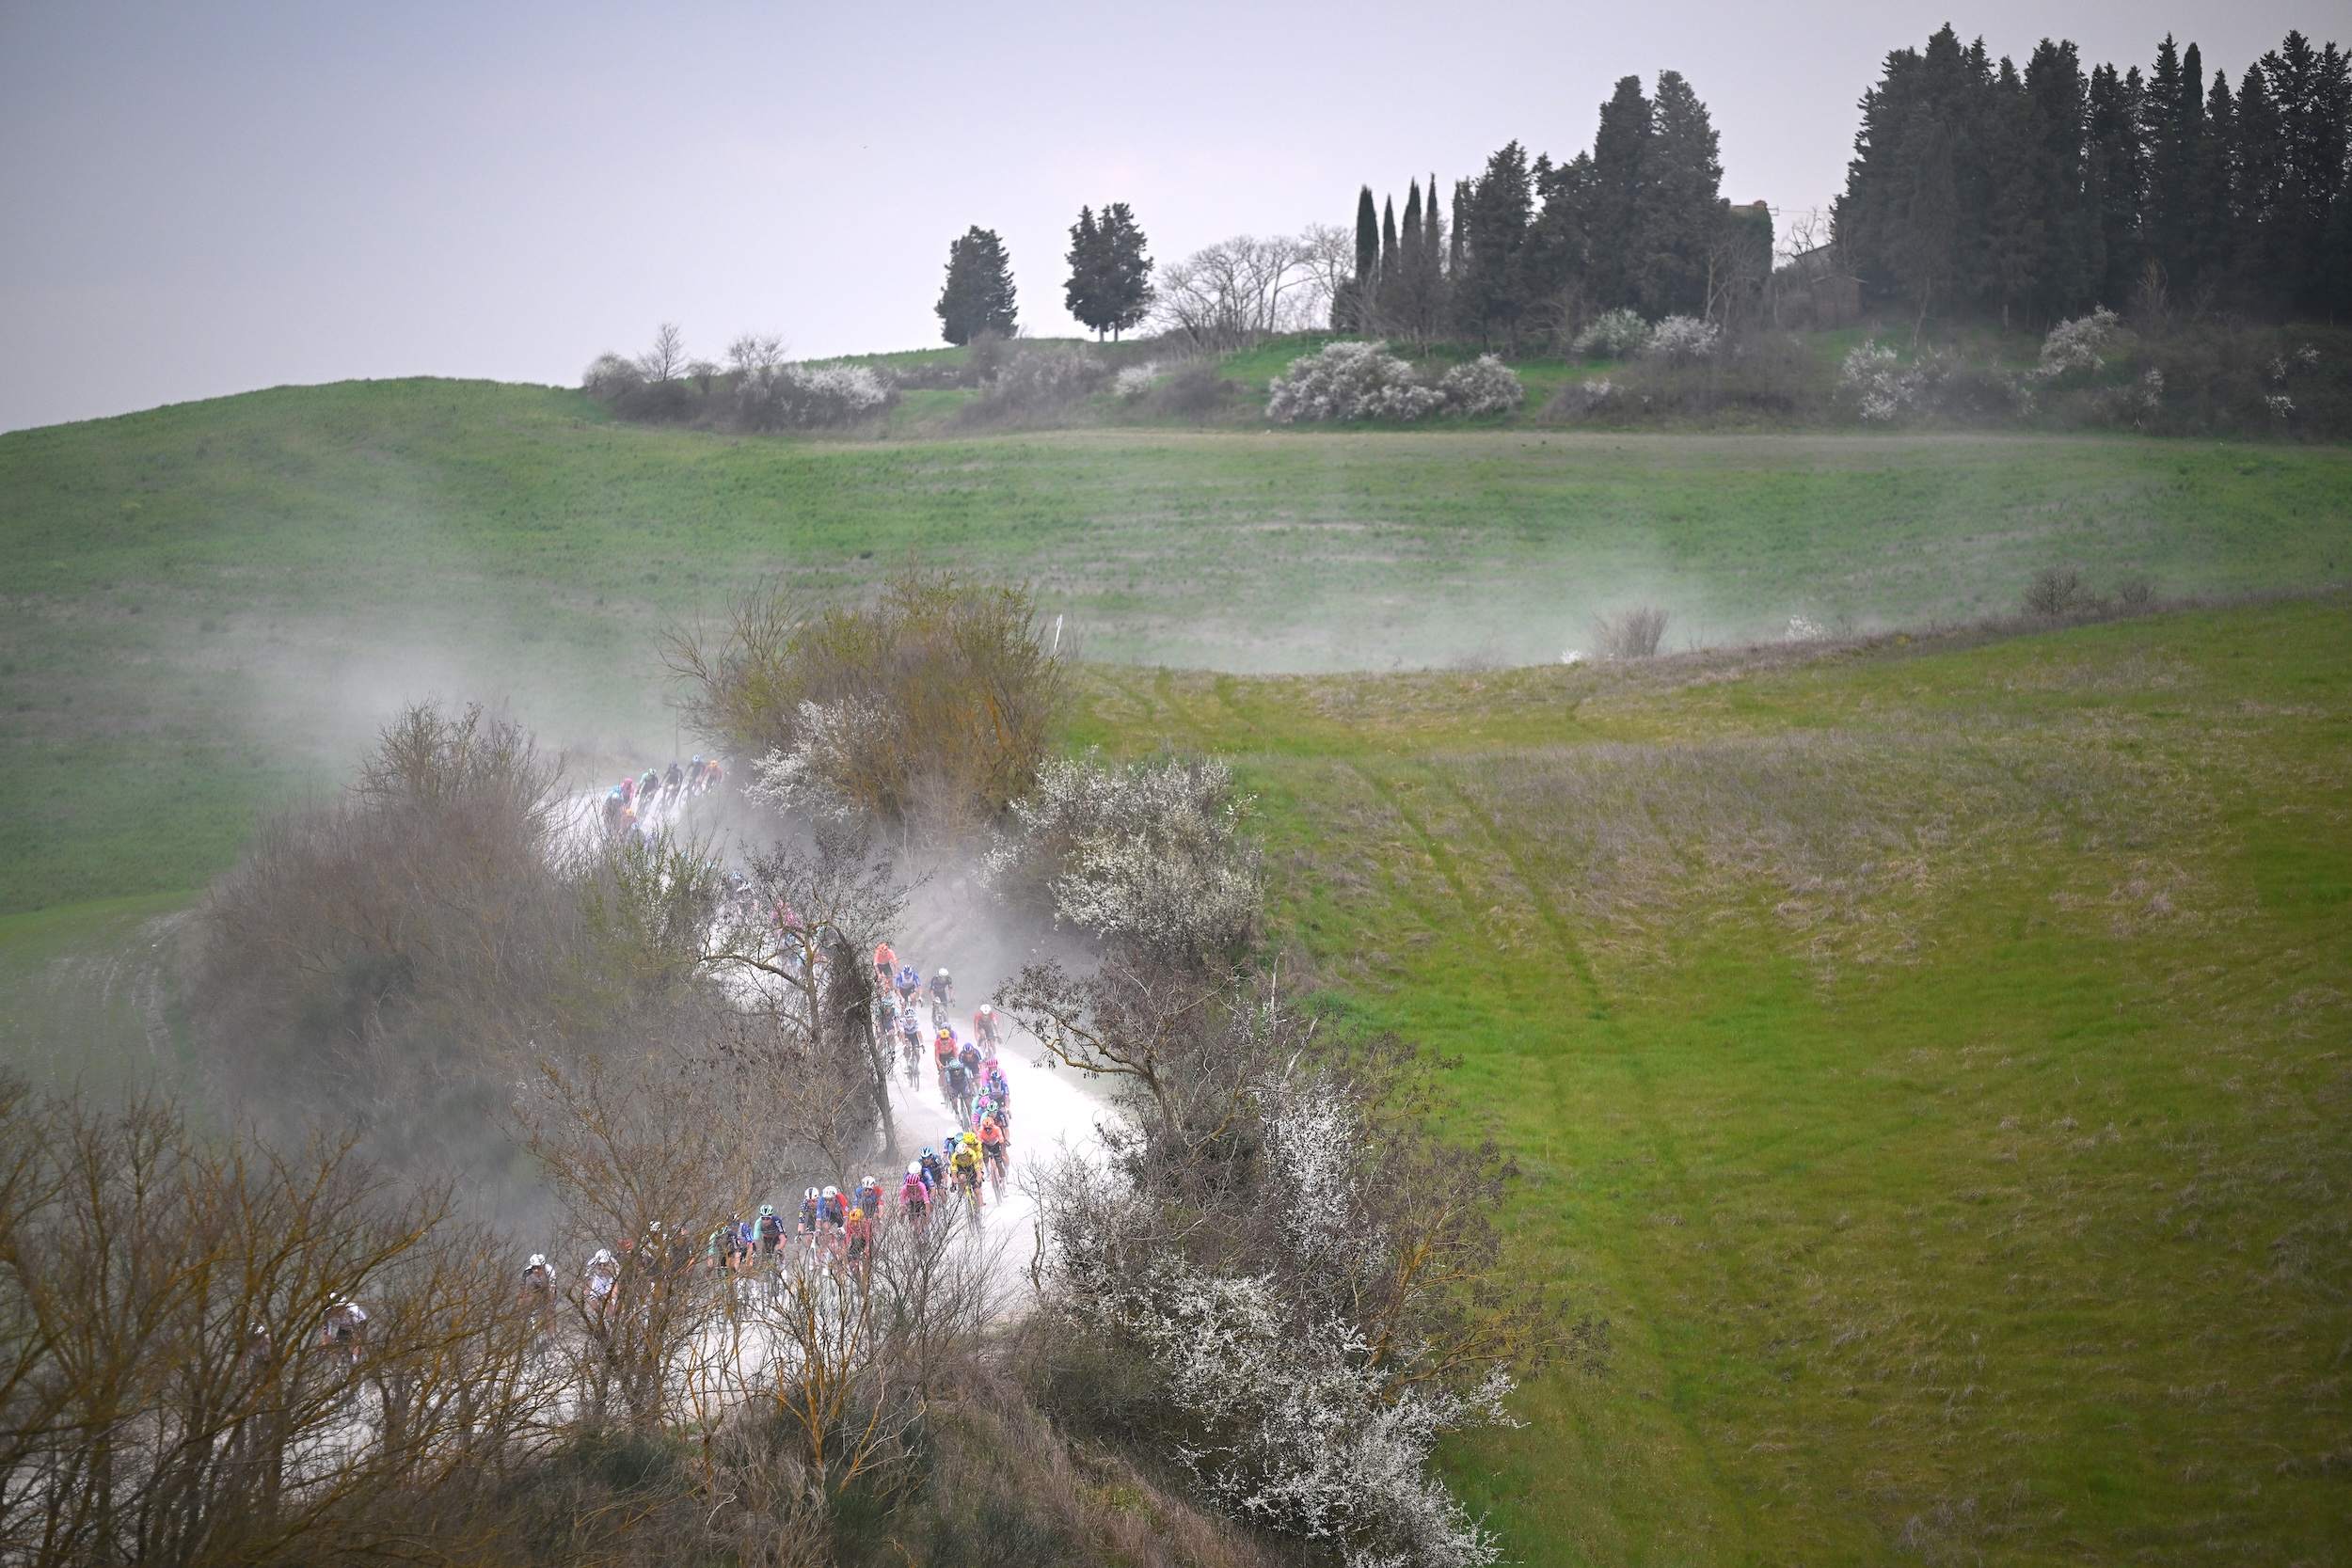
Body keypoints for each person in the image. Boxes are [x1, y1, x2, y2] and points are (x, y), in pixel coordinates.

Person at [321, 1297, 369, 1366]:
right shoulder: (328, 1313)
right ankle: (335, 1370)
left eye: (341, 1308)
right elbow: (327, 1334)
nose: (339, 1311)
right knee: (336, 1349)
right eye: (336, 1309)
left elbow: (361, 1329)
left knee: (356, 1344)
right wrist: (325, 1348)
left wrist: (358, 1342)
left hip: (357, 1326)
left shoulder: (353, 1311)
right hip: (343, 1328)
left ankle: (355, 1365)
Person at [585, 1250, 619, 1323]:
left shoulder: (615, 1264)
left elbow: (617, 1281)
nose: (602, 1267)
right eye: (600, 1264)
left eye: (605, 1264)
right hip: (598, 1278)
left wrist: (613, 1294)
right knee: (594, 1298)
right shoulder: (591, 1264)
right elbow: (588, 1278)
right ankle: (594, 1318)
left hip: (610, 1278)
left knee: (610, 1300)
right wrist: (587, 1289)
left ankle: (610, 1318)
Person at [978, 1114, 1008, 1196]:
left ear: (992, 1127)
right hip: (986, 1145)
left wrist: (1002, 1155)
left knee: (999, 1164)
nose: (987, 1130)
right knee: (984, 1152)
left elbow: (1002, 1144)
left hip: (995, 1144)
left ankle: (1005, 1186)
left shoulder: (997, 1129)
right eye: (986, 1129)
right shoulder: (980, 1131)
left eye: (989, 1129)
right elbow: (979, 1146)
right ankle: (987, 1168)